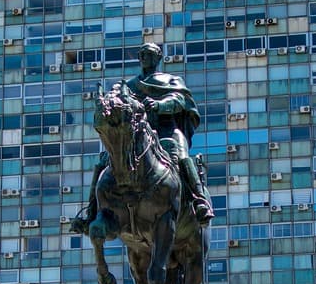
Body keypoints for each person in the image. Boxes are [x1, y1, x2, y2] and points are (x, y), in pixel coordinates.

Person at [72, 43, 214, 233]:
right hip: (136, 135)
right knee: (105, 161)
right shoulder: (129, 85)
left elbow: (180, 100)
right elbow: (117, 101)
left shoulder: (170, 80)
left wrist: (159, 105)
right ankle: (91, 211)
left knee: (181, 156)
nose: (145, 57)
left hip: (166, 131)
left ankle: (199, 201)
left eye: (149, 54)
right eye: (142, 54)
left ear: (158, 57)